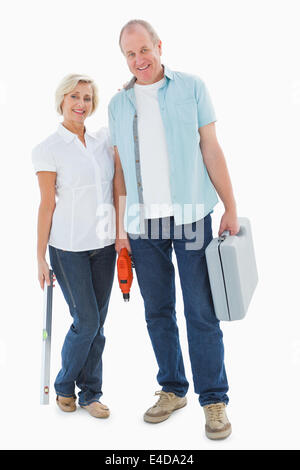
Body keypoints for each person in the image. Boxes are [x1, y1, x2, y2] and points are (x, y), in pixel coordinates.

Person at [109, 19, 240, 440]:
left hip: (190, 216)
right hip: (143, 224)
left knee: (200, 310)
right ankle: (172, 388)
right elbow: (119, 173)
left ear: (159, 46)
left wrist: (231, 207)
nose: (138, 60)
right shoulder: (118, 105)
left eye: (143, 50)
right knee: (157, 311)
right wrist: (120, 228)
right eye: (130, 54)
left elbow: (211, 148)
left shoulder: (192, 87)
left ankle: (213, 400)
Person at [32, 74, 116, 418]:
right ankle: (65, 385)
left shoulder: (102, 142)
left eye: (87, 98)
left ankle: (91, 394)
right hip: (68, 249)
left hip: (106, 245)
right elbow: (46, 204)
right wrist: (39, 257)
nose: (82, 104)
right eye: (75, 97)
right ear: (62, 101)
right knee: (87, 320)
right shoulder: (47, 149)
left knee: (98, 324)